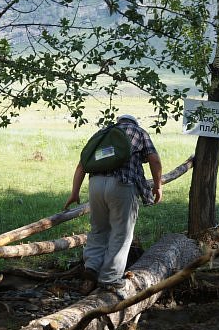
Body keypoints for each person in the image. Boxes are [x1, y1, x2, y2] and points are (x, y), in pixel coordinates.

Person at [64, 114, 163, 296]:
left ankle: (92, 266)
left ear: (119, 122)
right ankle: (110, 279)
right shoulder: (139, 132)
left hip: (96, 185)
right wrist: (157, 186)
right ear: (134, 122)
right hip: (122, 185)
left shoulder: (103, 133)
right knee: (121, 233)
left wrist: (74, 193)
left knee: (98, 228)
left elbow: (81, 166)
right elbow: (154, 160)